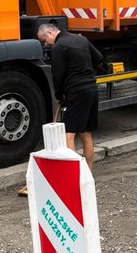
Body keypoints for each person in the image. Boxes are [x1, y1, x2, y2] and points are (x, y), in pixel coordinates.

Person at [38, 23, 104, 167]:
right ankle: (88, 173)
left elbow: (58, 75)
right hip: (92, 88)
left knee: (68, 134)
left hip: (76, 92)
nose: (45, 44)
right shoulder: (81, 39)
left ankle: (74, 176)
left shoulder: (58, 47)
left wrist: (59, 95)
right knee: (86, 134)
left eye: (44, 39)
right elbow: (98, 57)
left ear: (50, 33)